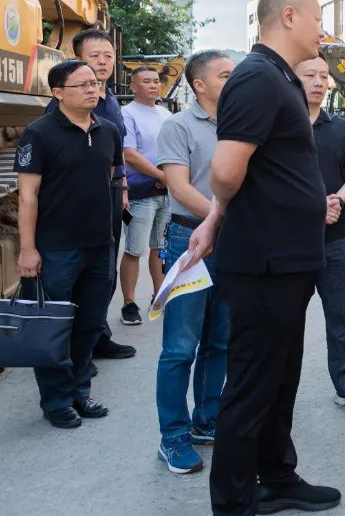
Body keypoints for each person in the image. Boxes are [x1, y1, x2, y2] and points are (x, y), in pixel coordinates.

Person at [186, 0, 341, 516]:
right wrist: (216, 215)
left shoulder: (277, 78)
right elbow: (227, 170)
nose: (323, 29)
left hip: (287, 257)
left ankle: (276, 476)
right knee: (253, 383)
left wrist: (213, 219)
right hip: (265, 261)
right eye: (318, 18)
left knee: (281, 375)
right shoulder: (256, 77)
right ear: (290, 16)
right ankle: (232, 502)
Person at [14, 60, 123, 428]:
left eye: (94, 83)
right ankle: (56, 400)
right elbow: (28, 195)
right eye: (82, 85)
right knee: (54, 327)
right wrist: (28, 249)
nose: (92, 89)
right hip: (56, 249)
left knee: (89, 324)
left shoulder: (108, 131)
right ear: (57, 92)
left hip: (99, 247)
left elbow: (106, 180)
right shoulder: (39, 134)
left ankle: (80, 391)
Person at [154, 50, 235, 474]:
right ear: (199, 85)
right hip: (190, 240)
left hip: (232, 242)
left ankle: (208, 419)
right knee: (180, 347)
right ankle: (173, 436)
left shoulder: (240, 125)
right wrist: (221, 218)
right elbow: (180, 188)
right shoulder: (178, 126)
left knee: (219, 342)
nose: (234, 80)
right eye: (225, 75)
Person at [45, 29, 136, 363]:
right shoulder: (61, 108)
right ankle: (72, 349)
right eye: (94, 55)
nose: (103, 62)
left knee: (104, 271)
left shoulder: (108, 98)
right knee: (76, 276)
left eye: (108, 55)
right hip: (75, 204)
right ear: (77, 60)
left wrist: (122, 186)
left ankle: (97, 336)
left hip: (108, 196)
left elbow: (116, 150)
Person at [294, 56, 345, 415]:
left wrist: (338, 199)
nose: (317, 81)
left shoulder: (341, 128)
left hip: (338, 237)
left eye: (323, 76)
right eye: (309, 75)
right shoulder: (279, 126)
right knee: (286, 321)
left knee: (343, 315)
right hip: (290, 241)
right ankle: (279, 394)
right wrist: (312, 207)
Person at [118, 65, 172, 325]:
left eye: (155, 81)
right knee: (134, 249)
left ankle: (160, 296)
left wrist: (169, 176)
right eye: (146, 81)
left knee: (160, 248)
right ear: (133, 87)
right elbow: (130, 154)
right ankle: (129, 303)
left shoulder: (165, 113)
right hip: (141, 192)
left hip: (167, 192)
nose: (153, 85)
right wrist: (161, 175)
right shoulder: (126, 114)